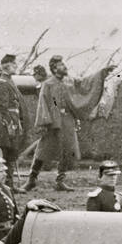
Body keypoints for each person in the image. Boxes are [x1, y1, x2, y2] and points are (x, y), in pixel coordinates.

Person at [27, 55, 80, 192]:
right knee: (43, 150)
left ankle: (60, 181)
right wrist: (46, 121)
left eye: (64, 64)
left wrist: (76, 117)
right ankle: (32, 180)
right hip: (53, 122)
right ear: (55, 68)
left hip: (67, 121)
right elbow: (44, 103)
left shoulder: (69, 82)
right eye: (61, 65)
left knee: (67, 150)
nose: (64, 67)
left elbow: (74, 101)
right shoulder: (48, 84)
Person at [0, 54, 24, 189]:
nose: (16, 66)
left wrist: (17, 123)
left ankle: (9, 184)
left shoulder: (9, 81)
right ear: (7, 66)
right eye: (14, 64)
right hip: (4, 122)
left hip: (12, 119)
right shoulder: (2, 83)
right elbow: (2, 107)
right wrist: (10, 124)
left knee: (11, 153)